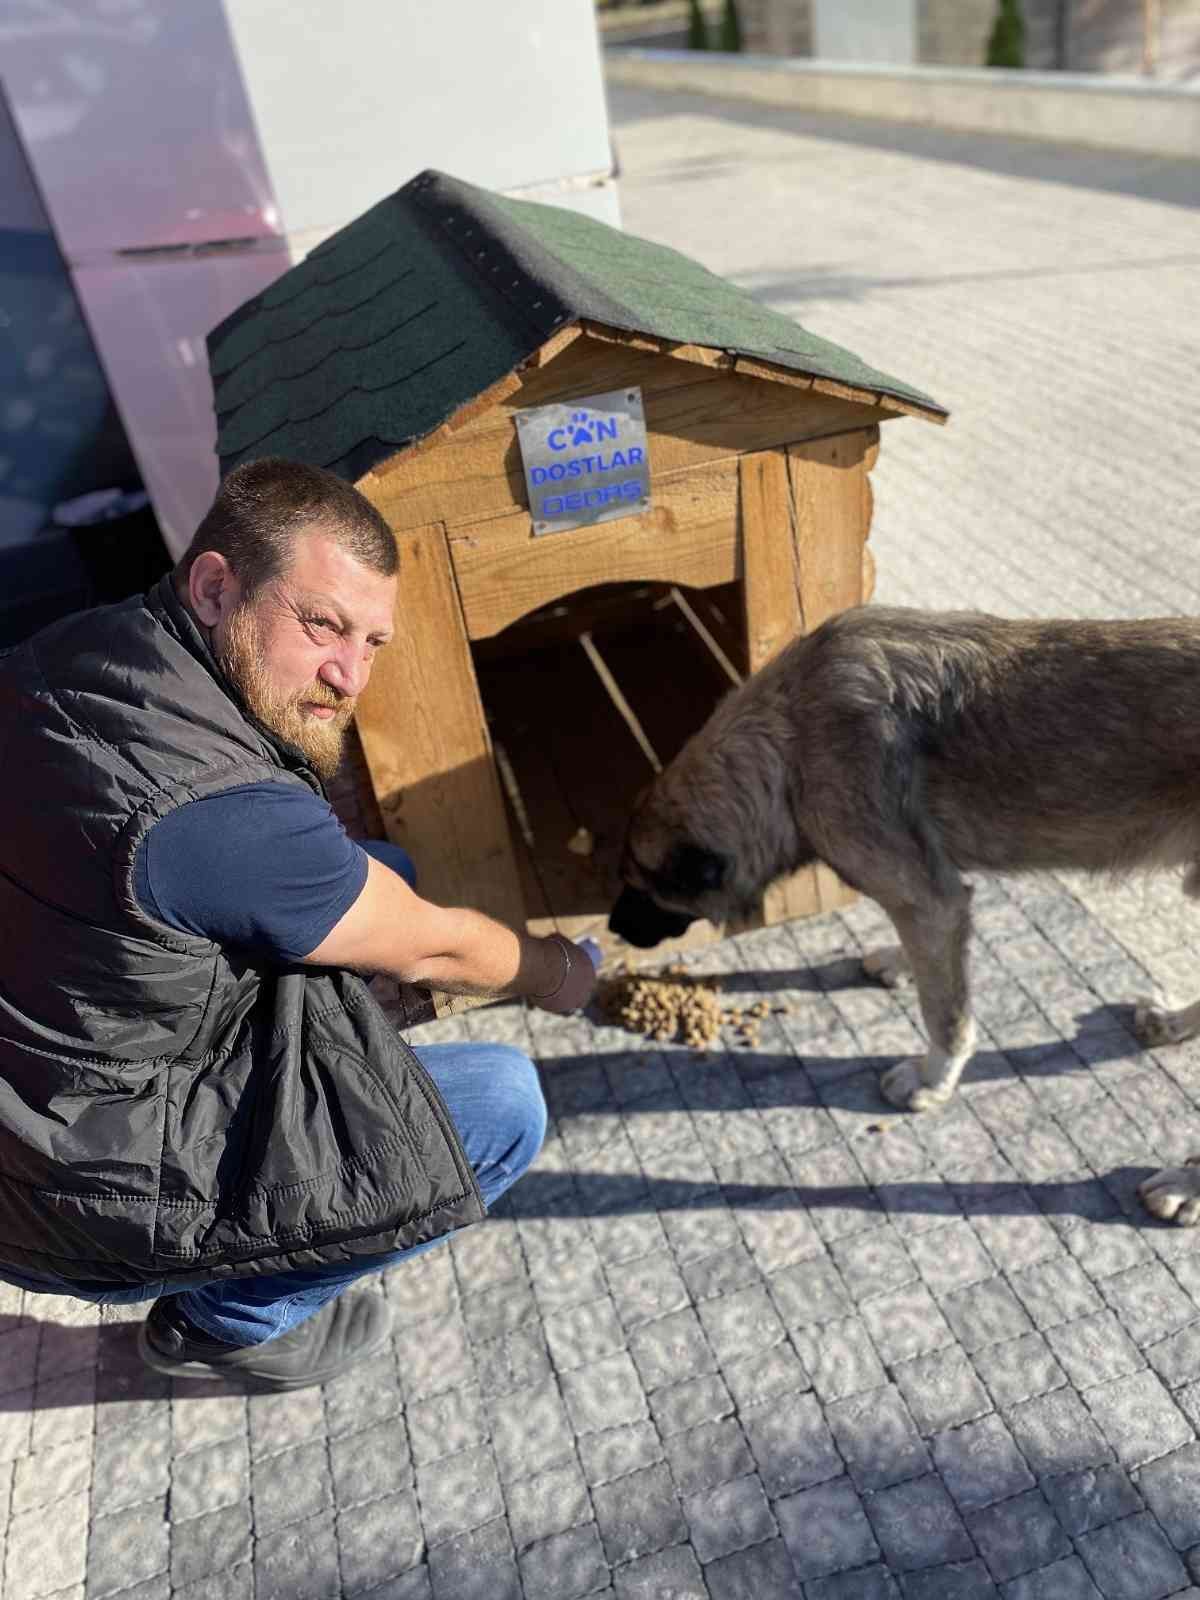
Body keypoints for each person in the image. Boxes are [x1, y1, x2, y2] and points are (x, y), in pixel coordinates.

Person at [0, 456, 597, 1391]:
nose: (347, 674)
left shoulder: (82, 651)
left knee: (382, 875)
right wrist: (561, 971)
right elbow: (438, 944)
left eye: (372, 642)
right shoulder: (213, 808)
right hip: (73, 1183)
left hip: (45, 1080)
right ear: (213, 586)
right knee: (500, 1101)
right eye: (321, 623)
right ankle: (225, 1323)